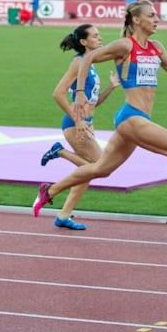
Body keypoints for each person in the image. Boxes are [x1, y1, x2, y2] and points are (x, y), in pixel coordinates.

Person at [32, 0, 167, 236]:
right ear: (136, 20)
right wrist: (81, 93)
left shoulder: (157, 46)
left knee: (101, 169)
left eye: (156, 15)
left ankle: (50, 191)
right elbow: (87, 59)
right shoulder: (125, 45)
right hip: (131, 118)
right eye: (151, 15)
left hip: (139, 118)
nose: (157, 19)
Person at [39, 24, 120, 230]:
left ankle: (64, 216)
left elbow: (93, 102)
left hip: (86, 124)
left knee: (87, 172)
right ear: (84, 42)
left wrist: (111, 87)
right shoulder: (78, 62)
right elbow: (58, 93)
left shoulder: (90, 64)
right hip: (76, 126)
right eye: (95, 36)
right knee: (101, 167)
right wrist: (77, 120)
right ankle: (61, 152)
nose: (100, 38)